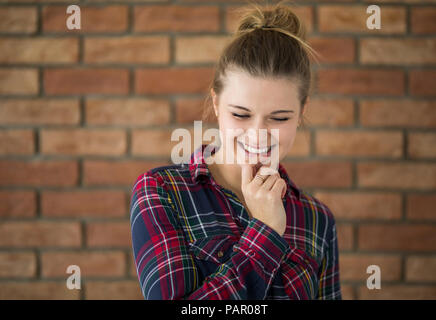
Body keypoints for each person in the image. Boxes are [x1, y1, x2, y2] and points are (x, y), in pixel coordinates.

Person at [130, 1, 342, 300]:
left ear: (302, 111)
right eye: (241, 115)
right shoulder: (161, 192)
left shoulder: (318, 219)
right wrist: (265, 231)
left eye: (279, 118)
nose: (257, 134)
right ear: (216, 103)